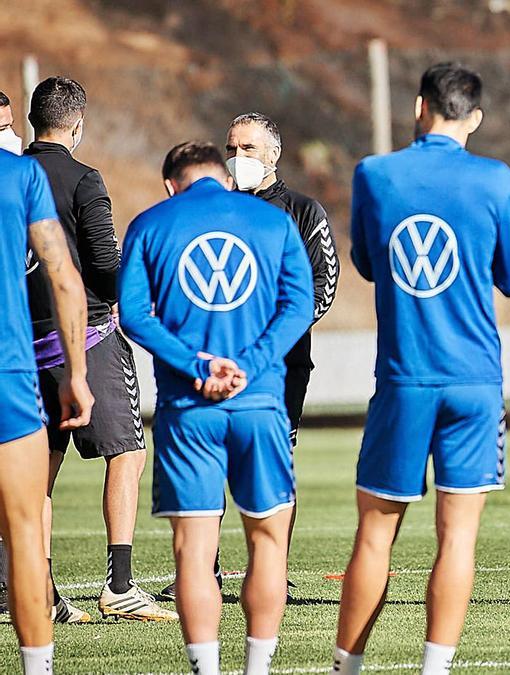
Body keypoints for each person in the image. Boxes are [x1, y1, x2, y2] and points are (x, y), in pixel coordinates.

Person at [331, 62, 510, 675]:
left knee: (374, 532)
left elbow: (367, 261)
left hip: (403, 377)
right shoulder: (496, 180)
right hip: (475, 381)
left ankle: (348, 668)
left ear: (419, 106)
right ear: (475, 117)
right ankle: (435, 669)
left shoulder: (375, 174)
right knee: (458, 535)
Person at [118, 142, 312, 675]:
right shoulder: (271, 222)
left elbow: (133, 315)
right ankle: (259, 668)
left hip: (188, 408)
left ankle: (206, 669)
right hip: (260, 404)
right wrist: (249, 363)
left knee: (193, 552)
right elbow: (299, 304)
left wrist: (198, 365)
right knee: (269, 541)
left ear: (169, 184)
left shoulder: (150, 223)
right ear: (225, 178)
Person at [158, 111, 342, 601]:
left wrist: (269, 345)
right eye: (232, 149)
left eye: (250, 150)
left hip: (280, 366)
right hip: (210, 363)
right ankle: (203, 570)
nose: (238, 159)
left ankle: (271, 569)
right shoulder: (212, 210)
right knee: (207, 462)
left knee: (273, 463)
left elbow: (323, 286)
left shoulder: (303, 210)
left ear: (274, 155)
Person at [22, 76, 175, 622]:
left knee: (38, 470)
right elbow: (104, 264)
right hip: (84, 334)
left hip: (22, 345)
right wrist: (129, 295)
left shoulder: (12, 176)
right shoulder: (84, 180)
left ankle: (36, 586)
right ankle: (121, 584)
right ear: (78, 124)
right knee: (128, 452)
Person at [0, 136, 94, 675]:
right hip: (10, 377)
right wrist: (76, 374)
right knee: (25, 532)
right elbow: (62, 275)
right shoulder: (21, 176)